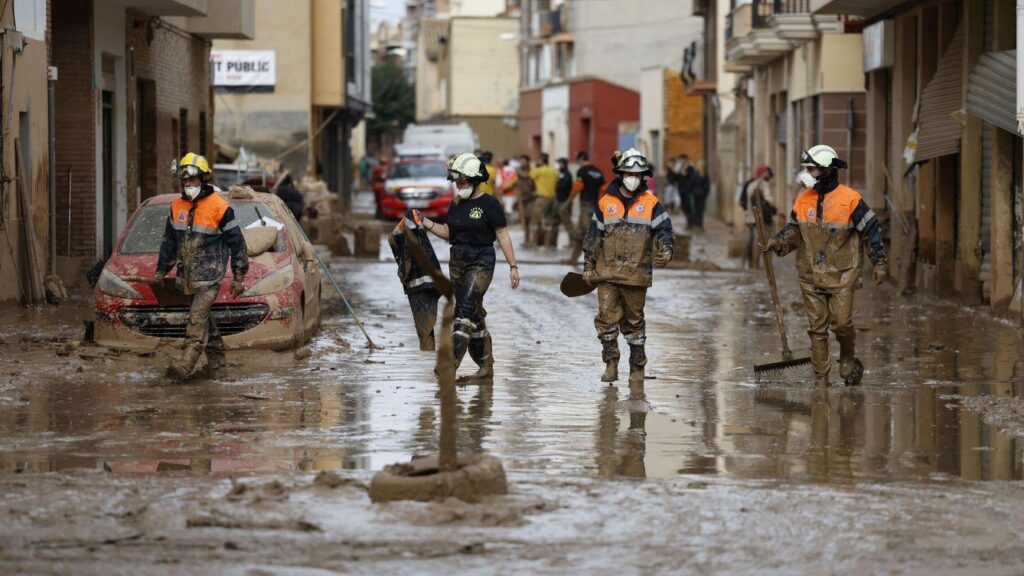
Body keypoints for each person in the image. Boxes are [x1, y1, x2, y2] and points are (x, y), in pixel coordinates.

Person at [761, 144, 888, 387]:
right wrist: (776, 242)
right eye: (807, 169)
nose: (807, 174)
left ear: (828, 170)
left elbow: (871, 230)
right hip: (811, 274)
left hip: (843, 274)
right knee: (817, 329)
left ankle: (847, 356)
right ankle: (822, 384)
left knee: (841, 323)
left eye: (812, 169)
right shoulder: (803, 200)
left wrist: (879, 262)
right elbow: (794, 231)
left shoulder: (851, 199)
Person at [418, 153, 520, 381]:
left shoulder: (490, 204)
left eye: (462, 181)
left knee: (463, 311)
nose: (459, 185)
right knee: (474, 314)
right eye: (457, 181)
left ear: (475, 180)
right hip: (457, 262)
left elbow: (502, 234)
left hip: (481, 261)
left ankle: (449, 365)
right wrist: (425, 222)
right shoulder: (456, 204)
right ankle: (486, 368)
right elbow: (448, 232)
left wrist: (513, 266)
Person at [155, 153, 249, 380]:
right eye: (185, 180)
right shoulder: (176, 206)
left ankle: (184, 366)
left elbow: (237, 243)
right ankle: (218, 368)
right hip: (187, 278)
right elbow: (169, 243)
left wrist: (239, 277)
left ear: (203, 179)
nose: (188, 184)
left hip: (210, 277)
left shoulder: (220, 207)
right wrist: (160, 271)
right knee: (207, 321)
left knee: (196, 321)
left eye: (193, 179)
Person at [583, 149, 673, 385]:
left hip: (637, 273)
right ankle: (611, 364)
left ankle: (637, 367)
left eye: (638, 175)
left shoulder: (651, 203)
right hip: (607, 272)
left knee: (634, 323)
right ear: (621, 174)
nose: (633, 178)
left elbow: (665, 231)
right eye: (629, 174)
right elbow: (593, 236)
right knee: (605, 319)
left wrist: (667, 251)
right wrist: (588, 265)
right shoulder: (606, 202)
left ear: (643, 176)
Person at [568, 151, 606, 264]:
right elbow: (604, 189)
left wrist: (568, 201)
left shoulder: (582, 171)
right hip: (595, 205)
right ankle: (573, 259)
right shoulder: (598, 172)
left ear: (580, 159)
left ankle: (599, 260)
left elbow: (578, 187)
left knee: (589, 233)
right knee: (580, 233)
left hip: (585, 205)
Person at [740, 165, 778, 269]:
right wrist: (777, 208)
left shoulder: (751, 184)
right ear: (764, 173)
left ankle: (749, 263)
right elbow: (768, 199)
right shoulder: (763, 184)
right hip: (760, 217)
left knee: (752, 239)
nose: (768, 175)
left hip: (750, 217)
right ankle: (760, 265)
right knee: (765, 239)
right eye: (767, 173)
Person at [528, 153, 558, 247]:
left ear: (541, 160)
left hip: (541, 198)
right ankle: (547, 243)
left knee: (535, 220)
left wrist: (535, 166)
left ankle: (534, 242)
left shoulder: (538, 170)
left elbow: (530, 176)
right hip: (552, 198)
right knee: (548, 220)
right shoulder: (554, 171)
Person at [515, 155, 536, 243]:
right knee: (525, 219)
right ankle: (526, 239)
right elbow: (515, 182)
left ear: (528, 162)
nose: (522, 163)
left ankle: (533, 239)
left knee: (532, 218)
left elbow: (527, 176)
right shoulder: (518, 171)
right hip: (522, 198)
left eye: (523, 161)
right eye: (521, 161)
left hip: (531, 198)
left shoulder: (532, 170)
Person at [555, 157, 574, 248]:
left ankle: (572, 242)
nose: (559, 165)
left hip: (565, 201)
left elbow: (564, 186)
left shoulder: (567, 174)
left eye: (561, 164)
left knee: (567, 223)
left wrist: (556, 185)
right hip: (559, 200)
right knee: (556, 222)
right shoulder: (560, 174)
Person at [676, 154, 698, 228]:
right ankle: (688, 223)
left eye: (682, 160)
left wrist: (686, 175)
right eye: (680, 160)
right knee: (684, 208)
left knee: (689, 208)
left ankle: (690, 224)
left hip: (688, 192)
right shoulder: (680, 169)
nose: (680, 161)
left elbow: (693, 179)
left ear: (685, 160)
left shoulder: (690, 168)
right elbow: (677, 178)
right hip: (682, 191)